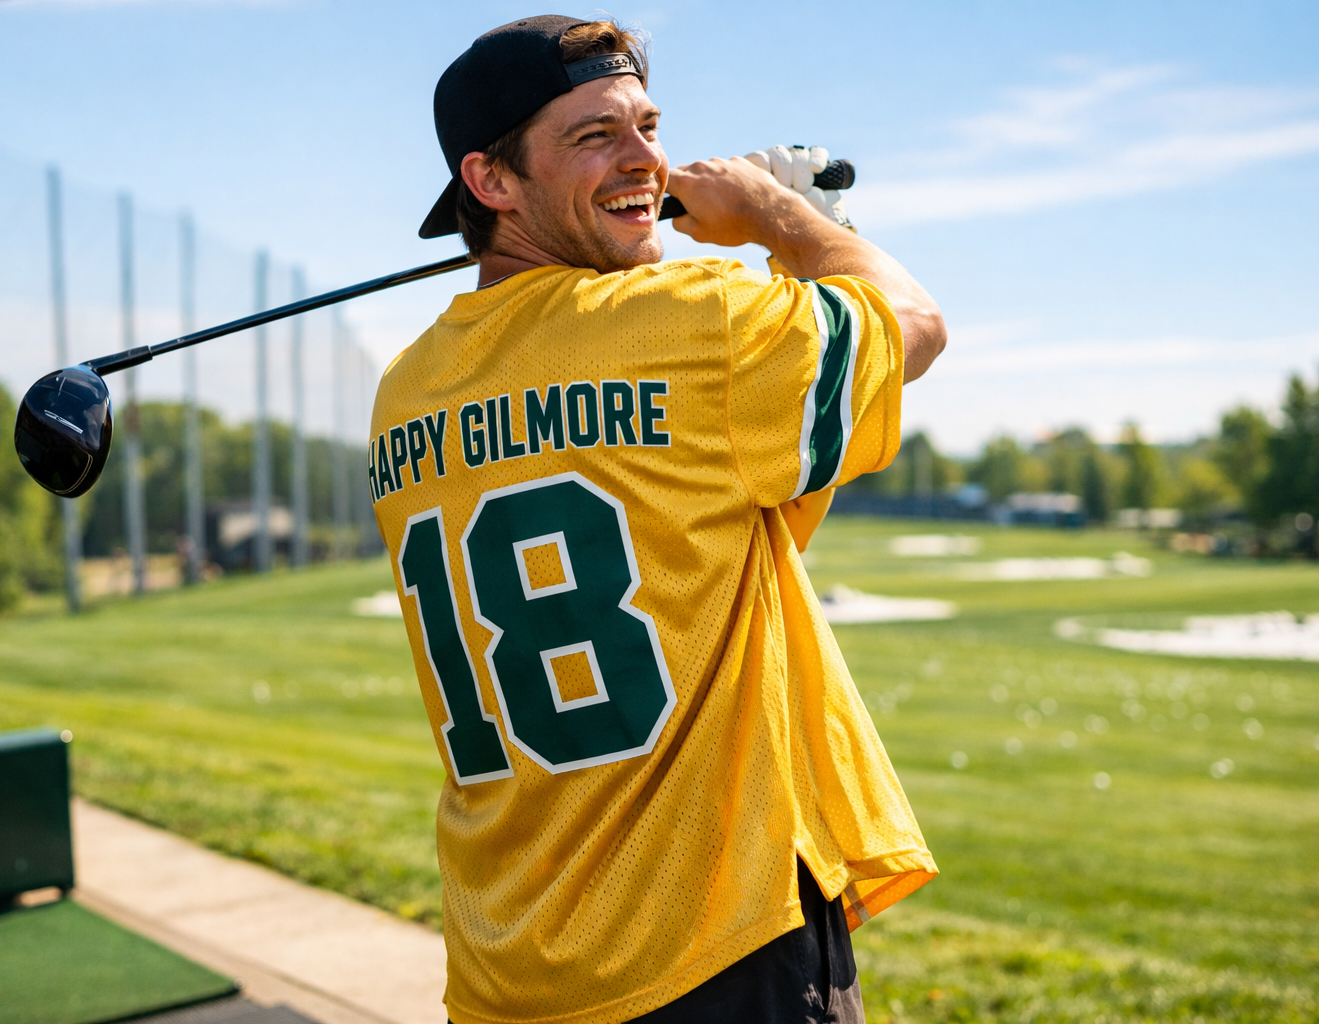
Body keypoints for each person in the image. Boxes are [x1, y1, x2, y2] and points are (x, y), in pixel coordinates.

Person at [368, 15, 946, 1024]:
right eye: (595, 136)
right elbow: (914, 324)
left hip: (508, 967)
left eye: (648, 125)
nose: (647, 158)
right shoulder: (686, 323)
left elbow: (727, 535)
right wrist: (783, 218)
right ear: (492, 182)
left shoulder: (404, 392)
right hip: (711, 946)